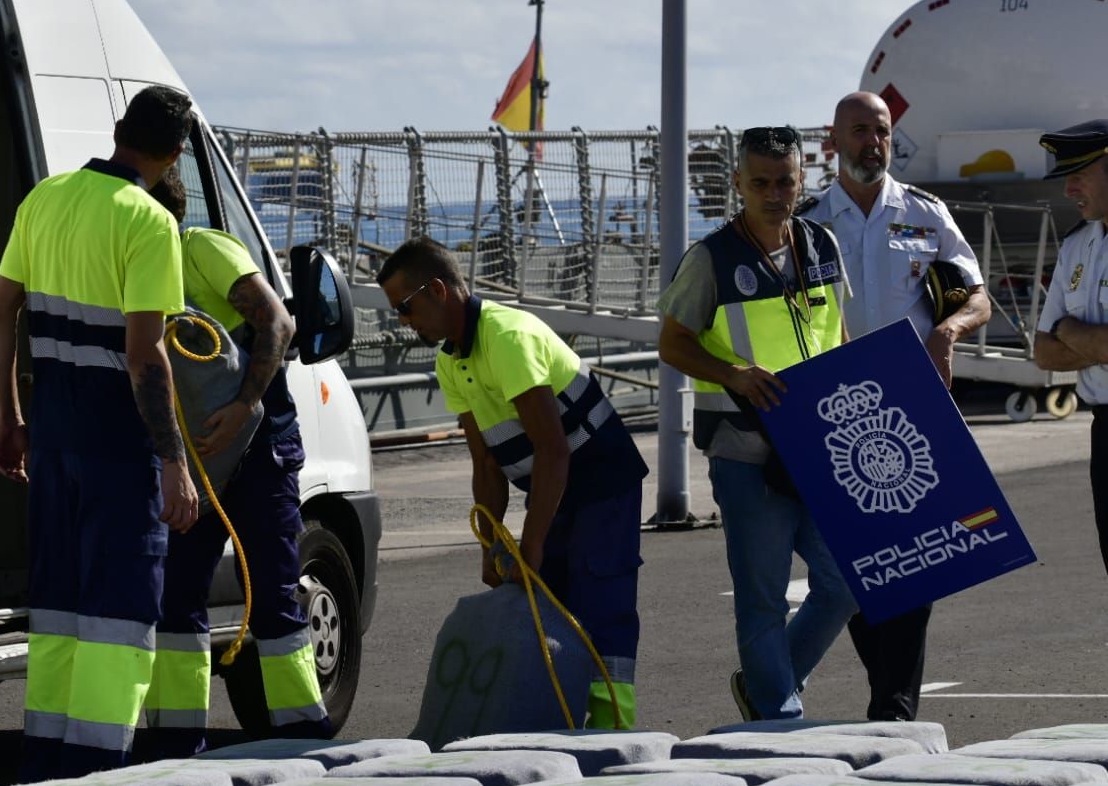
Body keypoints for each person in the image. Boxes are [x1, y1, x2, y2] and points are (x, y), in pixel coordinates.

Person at [0, 85, 199, 782]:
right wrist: (174, 461)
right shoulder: (148, 221)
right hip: (118, 445)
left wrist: (9, 417)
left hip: (52, 436)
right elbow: (145, 354)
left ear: (117, 130)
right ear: (175, 155)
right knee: (119, 613)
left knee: (58, 608)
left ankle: (45, 771)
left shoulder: (42, 199)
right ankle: (99, 770)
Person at [377, 237, 648, 728]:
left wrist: (533, 542)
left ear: (436, 289)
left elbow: (553, 450)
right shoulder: (450, 360)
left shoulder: (507, 338)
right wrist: (492, 544)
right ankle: (562, 723)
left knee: (599, 601)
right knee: (552, 605)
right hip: (554, 487)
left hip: (602, 481)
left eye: (404, 307)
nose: (403, 321)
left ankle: (614, 730)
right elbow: (485, 464)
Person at [799, 91, 991, 722]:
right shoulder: (808, 223)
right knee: (855, 563)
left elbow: (977, 296)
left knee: (917, 559)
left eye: (881, 131)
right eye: (860, 131)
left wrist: (949, 331)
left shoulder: (924, 214)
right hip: (836, 410)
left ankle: (894, 709)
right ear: (833, 140)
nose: (873, 142)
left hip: (912, 407)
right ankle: (890, 697)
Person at [656, 126, 856, 721]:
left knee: (846, 582)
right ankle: (779, 715)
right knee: (763, 598)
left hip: (818, 444)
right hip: (746, 451)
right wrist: (734, 374)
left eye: (785, 182)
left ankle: (768, 685)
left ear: (802, 180)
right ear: (738, 183)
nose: (774, 194)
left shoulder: (820, 243)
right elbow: (672, 343)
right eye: (761, 182)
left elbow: (838, 332)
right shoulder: (711, 258)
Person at [141, 168, 330, 757]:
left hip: (257, 449)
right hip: (193, 460)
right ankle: (176, 744)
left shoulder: (201, 248)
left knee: (272, 592)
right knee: (176, 597)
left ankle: (302, 737)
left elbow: (278, 322)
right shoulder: (136, 268)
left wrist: (244, 404)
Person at [1033, 118, 1108, 578]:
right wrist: (1095, 342)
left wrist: (1070, 331)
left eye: (1078, 174)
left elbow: (1059, 338)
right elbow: (1044, 352)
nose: (1068, 190)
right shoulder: (1078, 245)